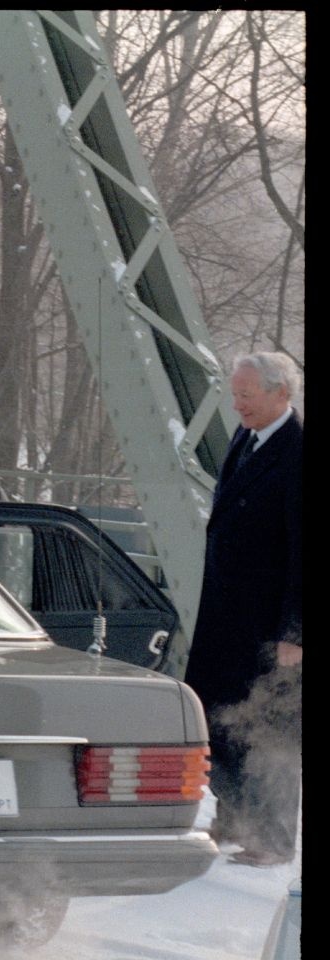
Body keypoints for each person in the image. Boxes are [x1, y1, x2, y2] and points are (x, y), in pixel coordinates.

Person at [184, 352, 302, 868]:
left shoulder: (297, 451)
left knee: (272, 727)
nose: (237, 406)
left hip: (272, 627)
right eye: (235, 395)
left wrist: (294, 632)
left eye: (246, 396)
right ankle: (233, 817)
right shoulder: (247, 438)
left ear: (281, 394)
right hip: (228, 618)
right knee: (224, 719)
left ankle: (272, 837)